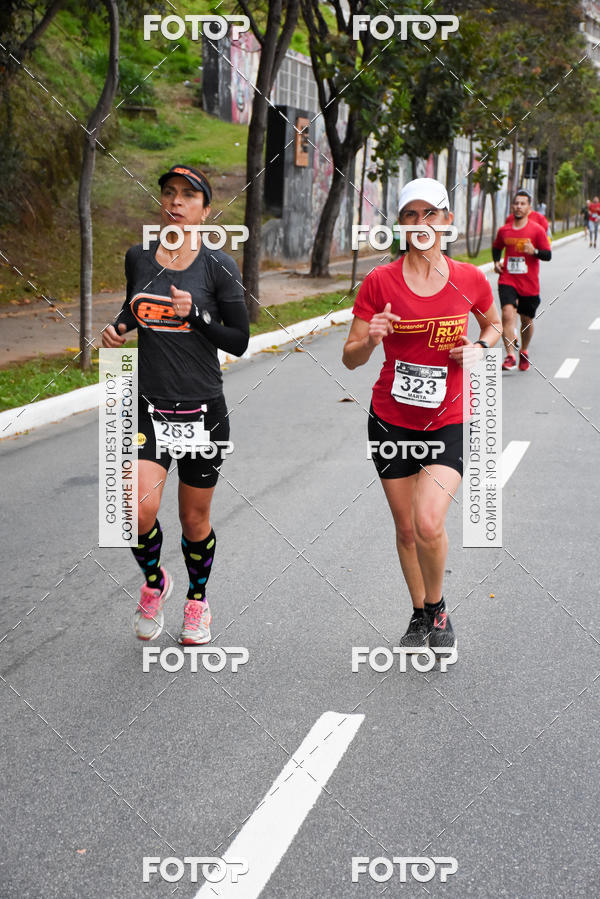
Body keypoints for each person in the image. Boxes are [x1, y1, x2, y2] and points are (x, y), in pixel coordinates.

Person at [342, 178, 501, 652]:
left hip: (448, 419)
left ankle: (437, 608)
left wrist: (479, 347)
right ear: (401, 224)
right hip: (391, 419)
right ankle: (419, 613)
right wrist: (370, 338)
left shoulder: (468, 278)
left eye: (430, 214)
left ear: (447, 221)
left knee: (429, 521)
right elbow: (350, 357)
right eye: (410, 215)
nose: (421, 224)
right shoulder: (379, 282)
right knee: (407, 528)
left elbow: (495, 324)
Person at [102, 164, 249, 644]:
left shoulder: (219, 266)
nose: (177, 202)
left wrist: (198, 316)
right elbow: (135, 306)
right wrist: (119, 328)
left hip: (203, 409)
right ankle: (154, 584)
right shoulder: (139, 258)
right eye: (169, 193)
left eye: (189, 195)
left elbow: (240, 340)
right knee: (135, 511)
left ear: (206, 210)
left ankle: (196, 603)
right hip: (150, 404)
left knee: (193, 519)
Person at [493, 189, 551, 372]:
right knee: (507, 314)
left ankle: (523, 350)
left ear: (529, 207)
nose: (518, 206)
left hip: (529, 282)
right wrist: (496, 262)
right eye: (516, 203)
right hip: (508, 278)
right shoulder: (505, 230)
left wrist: (533, 251)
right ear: (513, 206)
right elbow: (497, 247)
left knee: (526, 320)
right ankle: (510, 355)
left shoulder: (537, 230)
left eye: (522, 203)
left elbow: (547, 255)